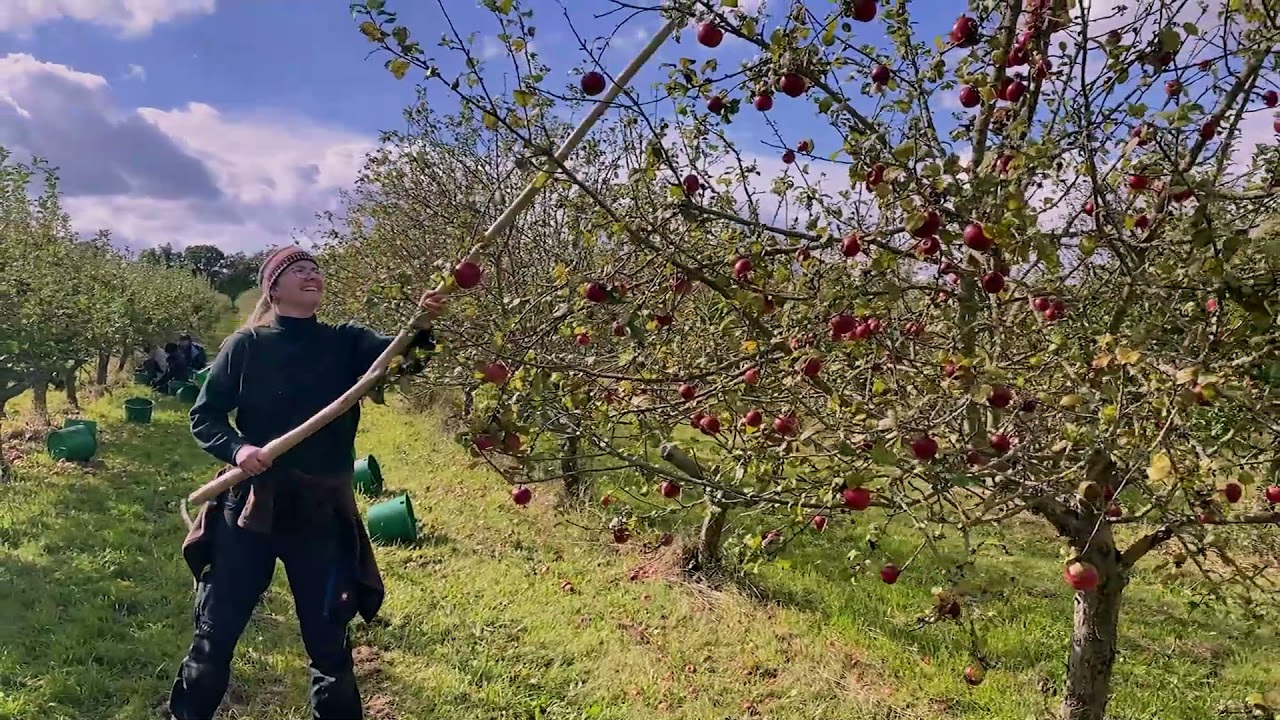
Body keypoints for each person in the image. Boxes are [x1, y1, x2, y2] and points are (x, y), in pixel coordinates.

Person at [166, 245, 446, 720]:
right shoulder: (247, 346)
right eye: (298, 269)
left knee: (329, 643)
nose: (311, 274)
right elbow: (206, 416)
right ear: (273, 287)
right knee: (216, 632)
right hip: (253, 507)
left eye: (315, 269)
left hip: (320, 511)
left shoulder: (346, 342)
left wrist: (422, 324)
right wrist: (239, 450)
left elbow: (404, 362)